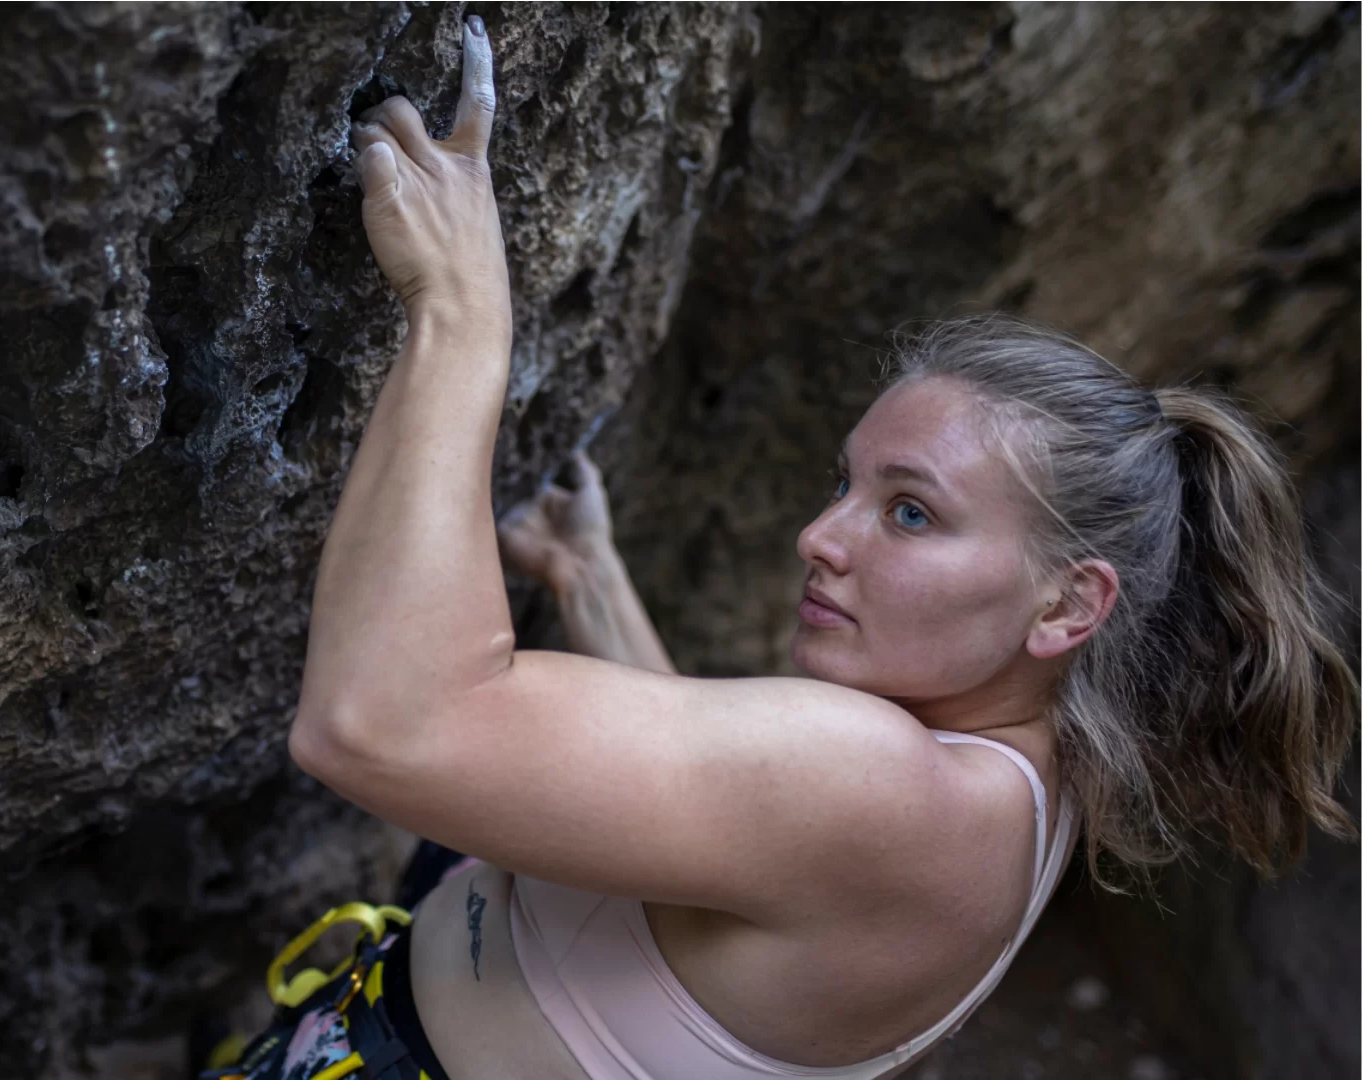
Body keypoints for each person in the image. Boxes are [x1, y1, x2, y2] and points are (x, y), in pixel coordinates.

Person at [196, 15, 1358, 1080]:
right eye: (844, 484)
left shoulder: (888, 785)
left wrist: (461, 311)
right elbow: (721, 807)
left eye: (910, 512)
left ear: (1067, 606)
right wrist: (592, 578)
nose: (819, 536)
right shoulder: (1016, 796)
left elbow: (380, 724)